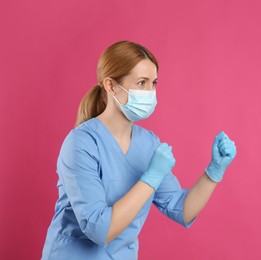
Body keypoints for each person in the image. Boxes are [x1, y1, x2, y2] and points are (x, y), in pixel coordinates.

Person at [41, 40, 237, 259]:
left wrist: (214, 171)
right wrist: (150, 178)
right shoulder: (81, 143)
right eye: (141, 83)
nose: (150, 92)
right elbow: (99, 229)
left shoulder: (147, 144)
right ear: (111, 85)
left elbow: (182, 210)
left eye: (153, 83)